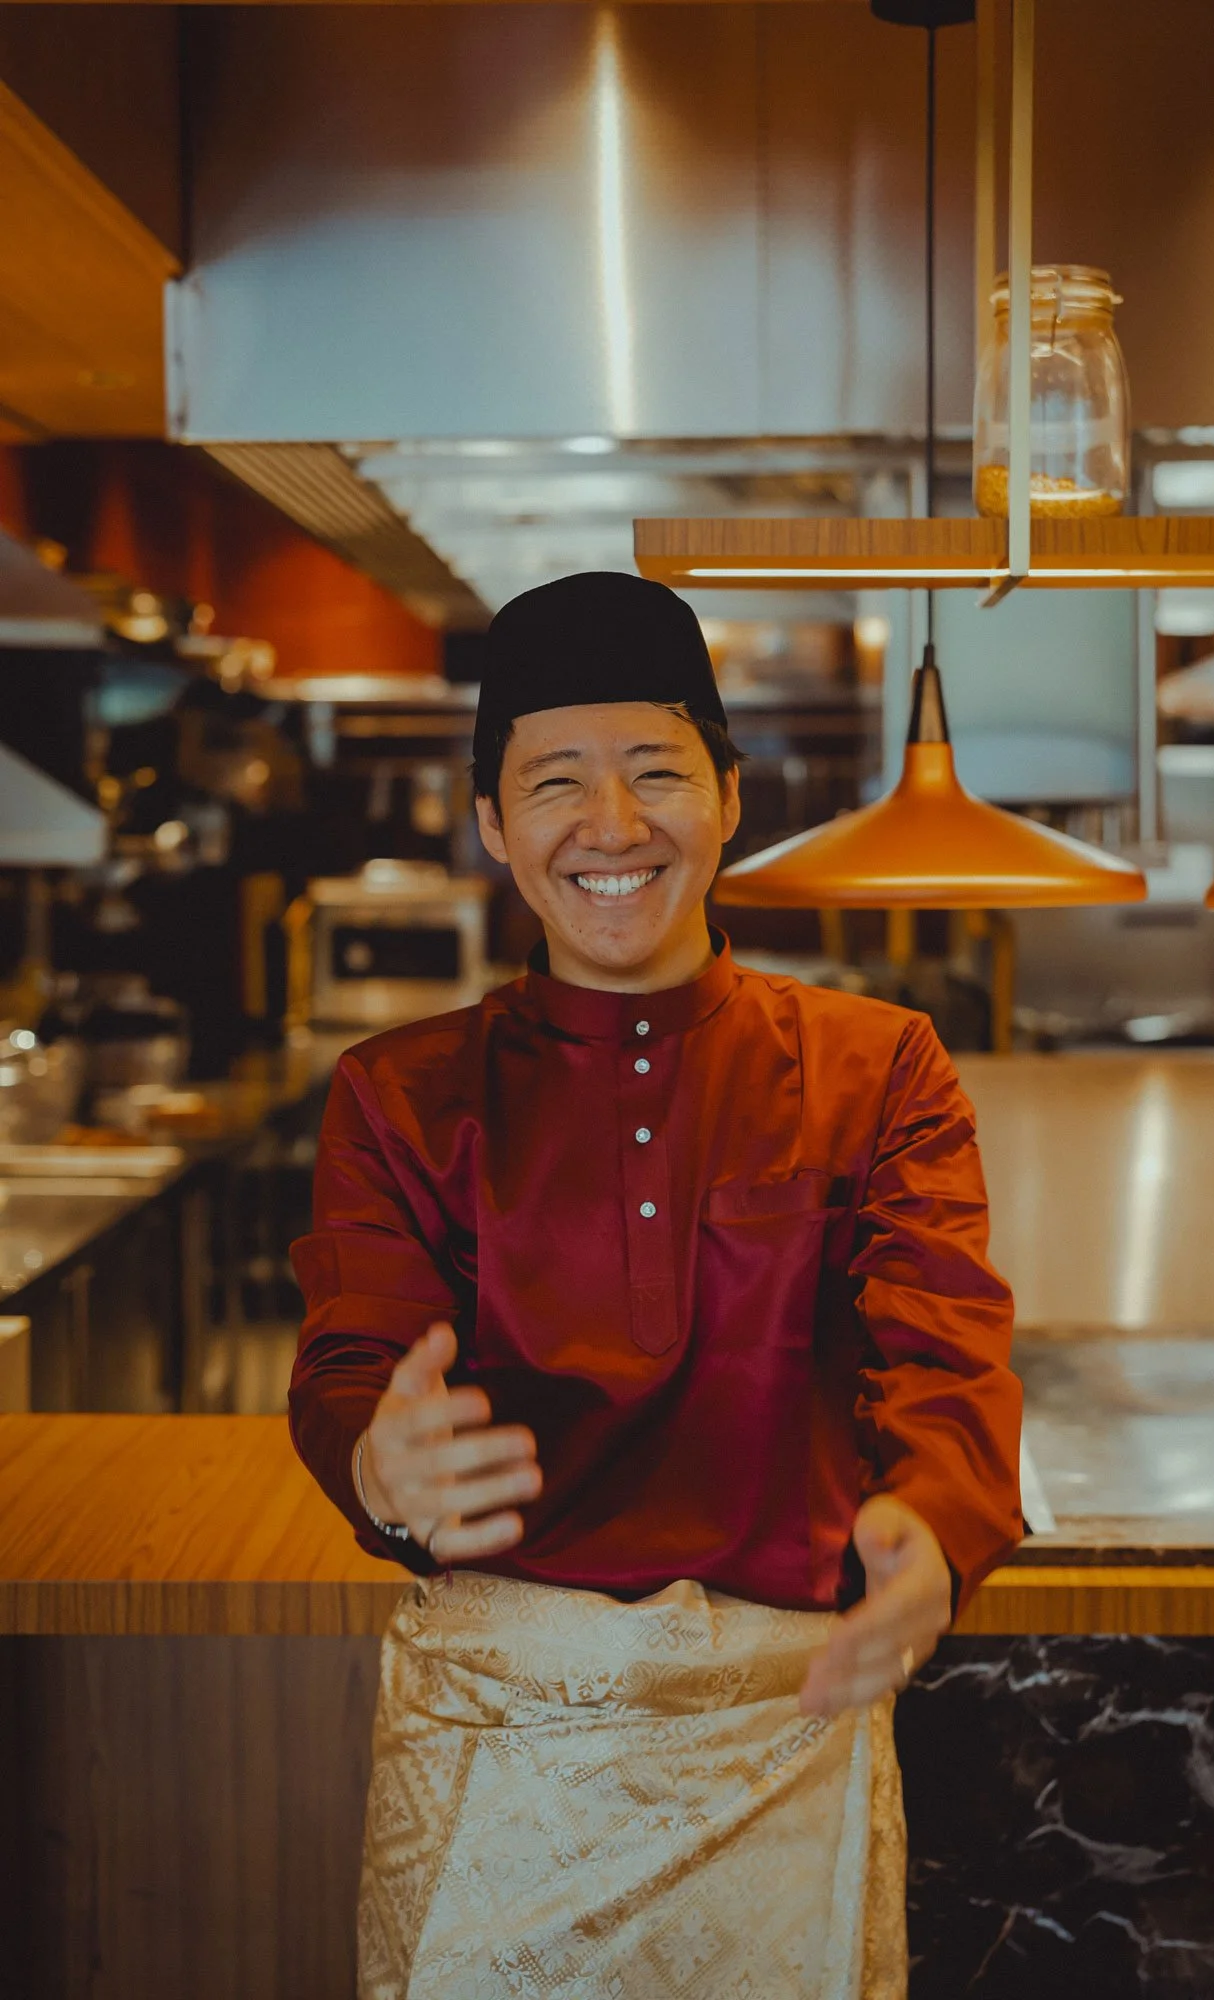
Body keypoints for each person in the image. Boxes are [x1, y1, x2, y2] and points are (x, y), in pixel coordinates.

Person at [289, 570, 1023, 2000]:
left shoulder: (884, 1070)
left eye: (656, 773)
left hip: (783, 1746)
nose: (612, 828)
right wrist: (382, 1460)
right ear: (495, 824)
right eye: (557, 781)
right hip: (499, 1766)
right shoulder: (397, 1095)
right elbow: (351, 1365)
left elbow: (943, 1347)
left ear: (731, 797)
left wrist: (936, 1525)